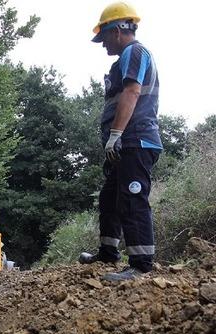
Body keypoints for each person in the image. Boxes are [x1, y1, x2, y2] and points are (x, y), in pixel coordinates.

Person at [79, 2, 162, 282]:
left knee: (132, 198)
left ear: (117, 31)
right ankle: (108, 252)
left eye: (103, 38)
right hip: (125, 143)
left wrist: (116, 135)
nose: (102, 45)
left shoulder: (134, 52)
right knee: (110, 197)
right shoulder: (123, 59)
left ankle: (141, 265)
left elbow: (132, 91)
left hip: (136, 141)